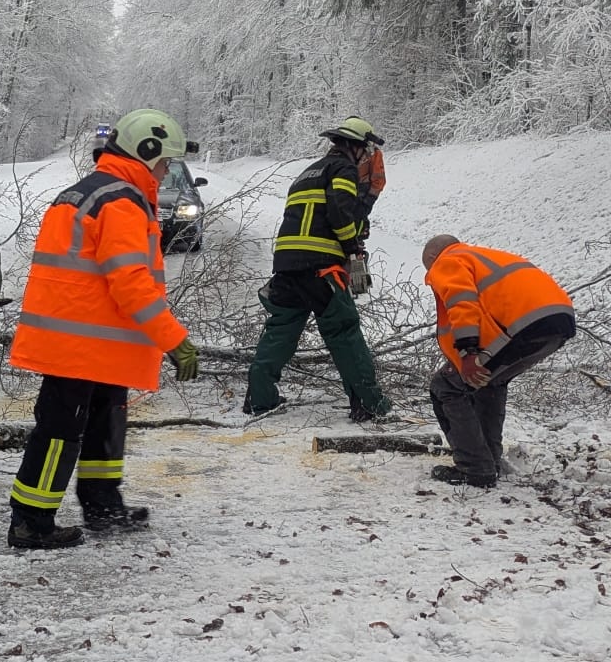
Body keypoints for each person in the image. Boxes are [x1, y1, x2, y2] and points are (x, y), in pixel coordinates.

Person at [4, 110, 200, 551]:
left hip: (85, 339)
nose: (167, 170)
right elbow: (130, 283)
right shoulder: (121, 203)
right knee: (60, 431)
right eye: (165, 161)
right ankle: (31, 522)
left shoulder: (88, 193)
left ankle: (102, 503)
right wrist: (174, 339)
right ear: (146, 153)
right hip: (80, 342)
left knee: (105, 418)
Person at [243, 117, 393, 421]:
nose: (366, 156)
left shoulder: (306, 172)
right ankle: (369, 403)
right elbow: (339, 208)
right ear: (355, 146)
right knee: (345, 332)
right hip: (321, 266)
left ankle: (259, 399)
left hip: (287, 265)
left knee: (281, 330)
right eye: (365, 150)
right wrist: (352, 246)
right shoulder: (344, 169)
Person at [422, 235, 576, 489]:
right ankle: (488, 460)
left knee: (447, 386)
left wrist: (468, 352)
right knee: (491, 381)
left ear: (431, 258)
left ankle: (475, 468)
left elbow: (461, 300)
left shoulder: (447, 261)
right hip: (557, 321)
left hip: (521, 325)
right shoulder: (485, 256)